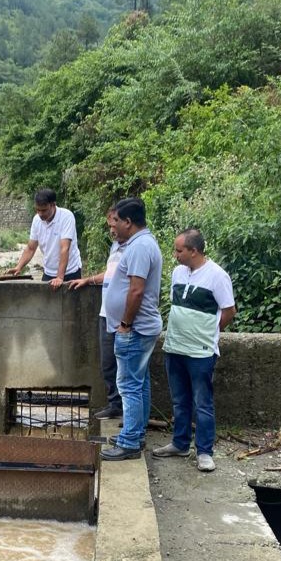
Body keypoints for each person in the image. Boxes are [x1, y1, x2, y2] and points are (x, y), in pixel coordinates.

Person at [153, 228, 236, 472]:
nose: (175, 255)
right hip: (176, 346)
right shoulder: (179, 272)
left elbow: (229, 310)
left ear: (194, 251)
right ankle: (180, 443)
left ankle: (205, 451)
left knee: (202, 402)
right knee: (179, 400)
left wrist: (210, 331)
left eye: (179, 250)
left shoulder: (217, 276)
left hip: (201, 351)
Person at [100, 197, 163, 461]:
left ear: (128, 222)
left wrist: (124, 324)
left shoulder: (139, 247)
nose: (115, 225)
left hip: (134, 329)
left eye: (118, 220)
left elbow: (136, 291)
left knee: (129, 386)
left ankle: (129, 443)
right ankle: (134, 434)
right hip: (141, 327)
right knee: (140, 383)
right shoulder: (143, 244)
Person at [69, 208, 123, 420]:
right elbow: (111, 274)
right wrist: (89, 280)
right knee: (108, 364)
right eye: (109, 225)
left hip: (124, 319)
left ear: (126, 222)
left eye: (113, 224)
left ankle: (129, 416)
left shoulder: (137, 248)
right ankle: (115, 405)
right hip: (106, 314)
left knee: (126, 371)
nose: (111, 230)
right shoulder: (116, 246)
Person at [9, 188, 82, 289]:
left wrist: (60, 278)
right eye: (38, 210)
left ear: (53, 205)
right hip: (48, 271)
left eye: (44, 210)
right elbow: (31, 248)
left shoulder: (66, 217)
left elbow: (65, 248)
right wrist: (19, 266)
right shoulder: (36, 220)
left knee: (70, 304)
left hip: (70, 271)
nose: (40, 214)